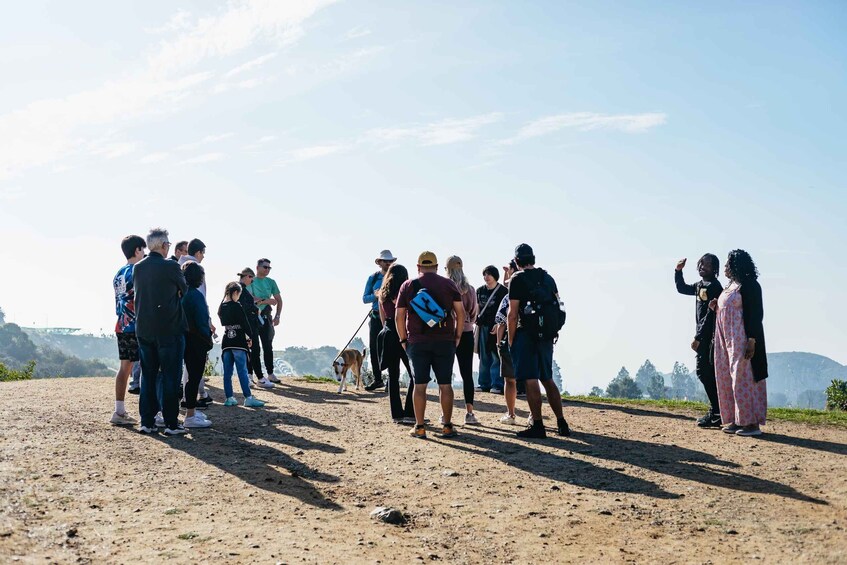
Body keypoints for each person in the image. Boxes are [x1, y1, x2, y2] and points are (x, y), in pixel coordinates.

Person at [396, 251, 464, 440]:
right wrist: (457, 336)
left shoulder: (408, 286)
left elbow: (399, 315)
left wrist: (403, 339)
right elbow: (461, 313)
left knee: (420, 385)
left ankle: (419, 428)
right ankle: (448, 426)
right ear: (436, 266)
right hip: (445, 341)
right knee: (445, 384)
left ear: (418, 267)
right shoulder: (448, 284)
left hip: (417, 342)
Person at [507, 244, 570, 439]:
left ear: (517, 262)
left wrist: (510, 339)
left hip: (526, 334)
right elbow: (559, 306)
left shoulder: (517, 279)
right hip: (547, 335)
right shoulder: (547, 278)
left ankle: (538, 424)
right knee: (547, 378)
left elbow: (512, 314)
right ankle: (562, 422)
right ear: (533, 259)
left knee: (531, 379)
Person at [134, 228, 188, 436]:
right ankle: (171, 423)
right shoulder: (171, 266)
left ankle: (146, 421)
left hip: (144, 329)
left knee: (147, 376)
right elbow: (184, 290)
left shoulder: (138, 268)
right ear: (164, 245)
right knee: (170, 376)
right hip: (169, 328)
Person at [709, 249, 768, 437]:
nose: (725, 267)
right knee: (726, 376)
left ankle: (751, 423)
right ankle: (736, 419)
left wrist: (752, 340)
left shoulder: (750, 285)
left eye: (728, 263)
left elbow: (756, 314)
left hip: (741, 337)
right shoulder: (731, 286)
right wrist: (715, 306)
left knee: (743, 378)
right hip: (725, 339)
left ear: (736, 265)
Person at [675, 254, 724, 427]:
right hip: (703, 335)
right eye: (702, 263)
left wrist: (698, 337)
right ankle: (718, 411)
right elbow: (681, 288)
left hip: (709, 337)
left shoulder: (716, 287)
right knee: (706, 373)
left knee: (704, 372)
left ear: (715, 269)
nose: (703, 266)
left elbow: (710, 316)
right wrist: (678, 271)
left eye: (708, 265)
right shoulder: (699, 286)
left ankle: (717, 412)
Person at [110, 235, 146, 426]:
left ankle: (119, 410)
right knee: (148, 368)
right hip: (137, 325)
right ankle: (150, 413)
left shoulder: (118, 273)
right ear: (137, 250)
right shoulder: (137, 270)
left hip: (121, 324)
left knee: (124, 368)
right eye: (144, 250)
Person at [178, 238, 216, 405]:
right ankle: (190, 402)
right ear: (198, 252)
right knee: (193, 369)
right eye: (203, 253)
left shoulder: (178, 265)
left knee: (185, 366)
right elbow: (201, 300)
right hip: (195, 328)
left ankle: (195, 395)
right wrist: (208, 325)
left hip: (179, 326)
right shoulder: (196, 270)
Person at [377, 263, 415, 424]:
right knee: (415, 374)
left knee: (393, 375)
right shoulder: (405, 292)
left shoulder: (382, 294)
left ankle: (396, 414)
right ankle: (410, 412)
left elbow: (382, 317)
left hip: (388, 332)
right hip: (403, 333)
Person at [218, 282, 266, 407]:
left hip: (227, 340)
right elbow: (244, 322)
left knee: (227, 373)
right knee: (242, 371)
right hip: (239, 340)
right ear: (235, 293)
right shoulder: (237, 305)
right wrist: (249, 337)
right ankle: (248, 397)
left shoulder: (222, 306)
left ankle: (229, 397)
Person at [445, 256, 480, 425]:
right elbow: (474, 313)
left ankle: (446, 414)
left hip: (446, 334)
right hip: (466, 332)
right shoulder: (470, 289)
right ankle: (470, 413)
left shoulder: (444, 288)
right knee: (467, 374)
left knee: (445, 374)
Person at [181, 262, 213, 428]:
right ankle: (190, 415)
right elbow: (202, 322)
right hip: (197, 341)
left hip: (181, 340)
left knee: (182, 379)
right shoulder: (196, 296)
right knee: (194, 378)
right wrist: (208, 340)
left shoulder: (180, 294)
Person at [363, 250, 396, 391]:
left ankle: (391, 380)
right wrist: (376, 296)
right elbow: (365, 298)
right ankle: (378, 379)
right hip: (376, 316)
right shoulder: (373, 278)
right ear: (379, 262)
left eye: (389, 261)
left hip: (391, 317)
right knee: (374, 348)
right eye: (385, 261)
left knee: (392, 349)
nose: (388, 263)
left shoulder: (396, 277)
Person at [248, 258, 282, 386]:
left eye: (269, 268)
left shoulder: (271, 282)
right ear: (257, 268)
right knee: (254, 347)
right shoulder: (251, 280)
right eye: (265, 267)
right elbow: (251, 299)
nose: (267, 270)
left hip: (267, 316)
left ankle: (270, 373)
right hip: (253, 317)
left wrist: (278, 316)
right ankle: (250, 374)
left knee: (268, 345)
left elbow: (279, 300)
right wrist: (266, 300)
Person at [475, 265, 508, 394]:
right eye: (485, 274)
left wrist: (500, 324)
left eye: (489, 274)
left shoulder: (502, 291)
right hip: (483, 326)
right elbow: (477, 307)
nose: (486, 277)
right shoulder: (479, 291)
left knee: (496, 355)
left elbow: (505, 309)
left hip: (497, 326)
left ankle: (497, 384)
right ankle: (484, 383)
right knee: (483, 355)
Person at [494, 260, 519, 424]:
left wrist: (499, 343)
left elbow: (502, 322)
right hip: (534, 339)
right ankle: (534, 415)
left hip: (512, 339)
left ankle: (511, 414)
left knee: (509, 380)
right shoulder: (534, 290)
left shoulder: (508, 297)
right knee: (531, 380)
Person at [236, 268, 261, 382]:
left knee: (251, 350)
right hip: (247, 324)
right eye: (251, 278)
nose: (252, 281)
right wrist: (254, 309)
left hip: (248, 323)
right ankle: (257, 376)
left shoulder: (241, 289)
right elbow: (242, 307)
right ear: (245, 276)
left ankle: (250, 375)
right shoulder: (240, 289)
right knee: (252, 349)